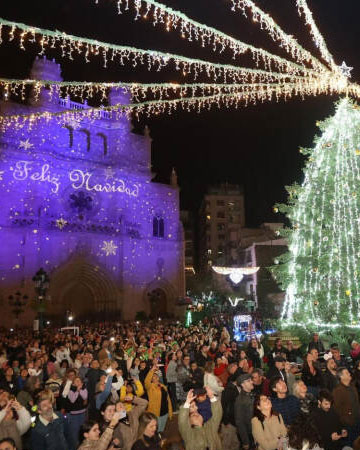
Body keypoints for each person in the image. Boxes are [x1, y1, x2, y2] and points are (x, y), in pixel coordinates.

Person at [332, 367, 360, 446]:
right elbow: (336, 410)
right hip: (348, 425)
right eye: (347, 373)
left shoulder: (353, 387)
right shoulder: (337, 391)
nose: (350, 374)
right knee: (351, 444)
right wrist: (345, 421)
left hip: (357, 421)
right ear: (341, 377)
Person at [144, 363, 172, 433]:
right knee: (155, 430)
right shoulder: (150, 387)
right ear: (151, 378)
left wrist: (170, 411)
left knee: (161, 430)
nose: (155, 377)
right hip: (155, 413)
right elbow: (146, 381)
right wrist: (152, 370)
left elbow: (168, 400)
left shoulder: (163, 386)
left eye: (157, 376)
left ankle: (159, 441)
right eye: (153, 376)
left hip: (164, 412)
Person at [234, 373, 255, 450]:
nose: (252, 382)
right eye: (248, 381)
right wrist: (245, 441)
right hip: (250, 434)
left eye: (251, 380)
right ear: (242, 384)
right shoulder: (240, 400)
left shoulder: (252, 394)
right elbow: (239, 422)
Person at [221, 373, 240, 450]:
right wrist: (226, 421)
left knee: (234, 442)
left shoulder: (232, 388)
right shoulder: (230, 390)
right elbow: (225, 406)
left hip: (231, 421)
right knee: (227, 443)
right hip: (229, 422)